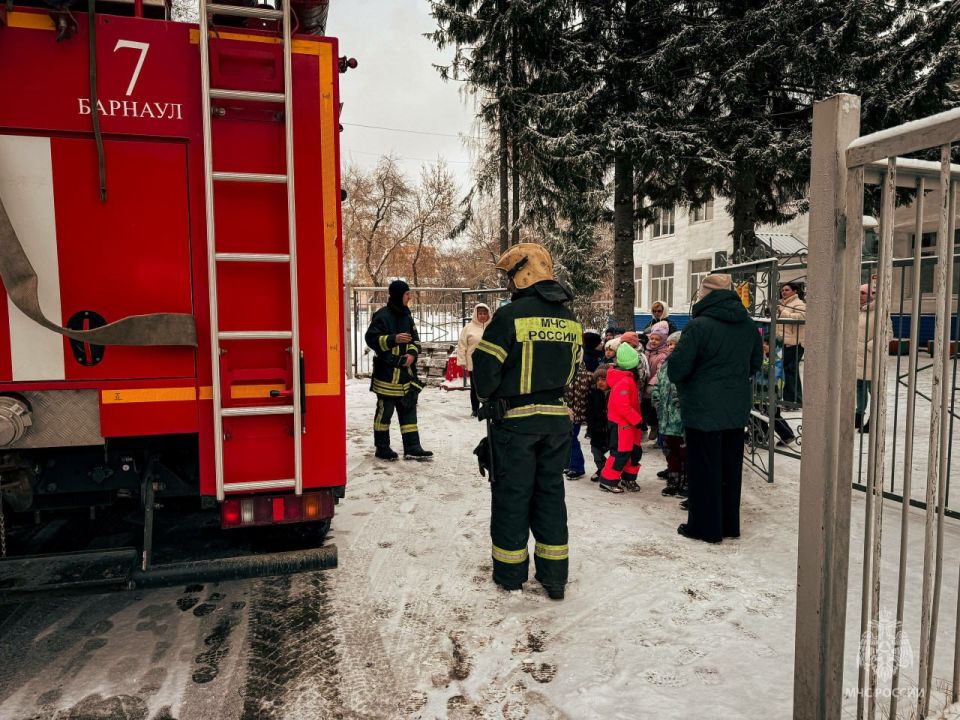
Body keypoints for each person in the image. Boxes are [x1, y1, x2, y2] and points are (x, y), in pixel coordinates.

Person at [472, 242, 582, 600]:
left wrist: (491, 396)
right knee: (550, 496)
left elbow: (486, 376)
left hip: (515, 425)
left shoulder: (509, 317)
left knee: (513, 496)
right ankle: (554, 577)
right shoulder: (570, 319)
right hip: (556, 424)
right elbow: (573, 370)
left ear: (524, 273)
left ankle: (510, 575)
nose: (508, 285)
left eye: (510, 277)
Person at [668, 273, 762, 543]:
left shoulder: (699, 326)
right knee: (730, 468)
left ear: (704, 294)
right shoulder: (747, 325)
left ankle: (705, 527)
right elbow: (754, 364)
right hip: (735, 407)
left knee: (704, 467)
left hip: (702, 408)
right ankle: (729, 524)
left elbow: (677, 369)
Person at [364, 280, 433, 461]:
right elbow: (371, 338)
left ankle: (412, 447)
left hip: (406, 376)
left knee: (408, 411)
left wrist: (411, 354)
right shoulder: (381, 315)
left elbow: (415, 341)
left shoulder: (407, 316)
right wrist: (394, 339)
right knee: (384, 413)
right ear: (397, 295)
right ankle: (382, 447)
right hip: (386, 376)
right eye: (407, 294)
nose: (409, 297)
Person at [598, 343, 644, 493]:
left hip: (630, 425)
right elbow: (622, 406)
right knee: (620, 452)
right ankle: (608, 480)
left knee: (634, 452)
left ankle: (628, 478)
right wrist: (637, 420)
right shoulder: (624, 381)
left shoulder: (629, 378)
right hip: (622, 425)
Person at [652, 331, 686, 497]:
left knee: (684, 452)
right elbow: (658, 384)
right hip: (666, 416)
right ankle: (673, 481)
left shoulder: (687, 364)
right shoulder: (665, 365)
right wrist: (656, 399)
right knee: (670, 452)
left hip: (680, 418)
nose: (672, 347)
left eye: (675, 344)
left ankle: (685, 482)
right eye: (670, 344)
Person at [754, 337, 798, 450]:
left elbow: (774, 372)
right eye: (763, 343)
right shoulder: (764, 356)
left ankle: (785, 435)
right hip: (760, 393)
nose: (764, 345)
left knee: (772, 415)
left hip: (770, 394)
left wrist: (762, 364)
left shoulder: (776, 358)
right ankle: (762, 435)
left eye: (767, 344)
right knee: (761, 414)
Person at [456, 303, 492, 416]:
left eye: (485, 313)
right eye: (480, 313)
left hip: (490, 363)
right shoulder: (468, 328)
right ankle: (475, 409)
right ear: (476, 314)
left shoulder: (492, 326)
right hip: (474, 363)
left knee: (490, 386)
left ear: (488, 314)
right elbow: (462, 345)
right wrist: (462, 361)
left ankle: (488, 407)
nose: (482, 316)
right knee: (475, 387)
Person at [776, 281, 806, 406]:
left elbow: (802, 317)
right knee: (785, 371)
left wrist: (783, 313)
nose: (783, 292)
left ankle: (793, 400)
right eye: (782, 290)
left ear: (795, 291)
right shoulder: (782, 304)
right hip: (782, 342)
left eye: (787, 290)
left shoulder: (798, 304)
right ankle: (790, 399)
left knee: (790, 371)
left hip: (794, 343)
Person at [643, 321, 671, 446]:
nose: (653, 341)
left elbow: (660, 370)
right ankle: (652, 427)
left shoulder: (664, 354)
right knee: (647, 410)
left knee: (656, 411)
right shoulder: (647, 351)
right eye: (652, 338)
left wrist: (652, 383)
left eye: (657, 339)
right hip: (646, 384)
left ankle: (659, 435)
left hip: (654, 386)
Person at [856, 283, 876, 433]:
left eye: (863, 293)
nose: (860, 295)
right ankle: (858, 416)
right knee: (859, 388)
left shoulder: (879, 311)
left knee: (873, 390)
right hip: (857, 357)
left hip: (871, 359)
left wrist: (869, 345)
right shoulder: (857, 311)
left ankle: (873, 419)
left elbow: (887, 334)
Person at [585, 366, 611, 482]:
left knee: (615, 452)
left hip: (611, 429)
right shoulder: (593, 394)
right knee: (596, 451)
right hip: (597, 429)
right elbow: (589, 413)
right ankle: (602, 468)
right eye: (598, 380)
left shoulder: (613, 393)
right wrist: (591, 428)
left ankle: (611, 471)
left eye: (604, 379)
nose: (600, 382)